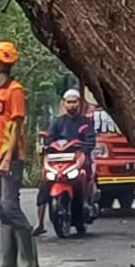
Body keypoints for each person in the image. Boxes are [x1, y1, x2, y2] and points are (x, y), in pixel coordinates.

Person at [0, 41, 37, 267]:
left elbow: (15, 128)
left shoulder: (14, 91)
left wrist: (7, 158)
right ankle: (8, 260)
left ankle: (28, 259)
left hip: (9, 159)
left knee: (9, 205)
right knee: (1, 209)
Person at [40, 87, 99, 237]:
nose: (72, 105)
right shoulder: (57, 122)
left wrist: (83, 147)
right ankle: (39, 222)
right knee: (44, 183)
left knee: (84, 176)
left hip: (78, 160)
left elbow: (90, 141)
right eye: (69, 102)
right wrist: (47, 146)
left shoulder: (86, 122)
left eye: (74, 102)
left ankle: (85, 206)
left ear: (79, 103)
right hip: (59, 162)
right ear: (64, 103)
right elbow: (49, 139)